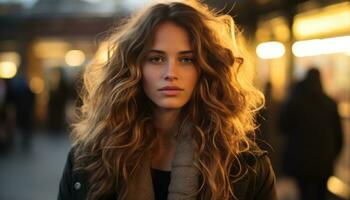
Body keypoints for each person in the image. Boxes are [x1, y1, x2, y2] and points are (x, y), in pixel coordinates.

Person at [58, 1, 277, 200]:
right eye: (156, 59)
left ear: (206, 68)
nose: (170, 73)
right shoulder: (89, 160)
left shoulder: (245, 167)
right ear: (134, 67)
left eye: (186, 59)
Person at [278, 68, 343, 200]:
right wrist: (331, 155)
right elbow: (339, 136)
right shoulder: (330, 104)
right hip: (324, 163)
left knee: (304, 193)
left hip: (301, 162)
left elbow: (282, 127)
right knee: (321, 194)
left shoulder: (296, 102)